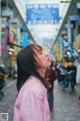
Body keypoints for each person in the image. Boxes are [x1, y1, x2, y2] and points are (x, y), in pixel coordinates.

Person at [13, 44, 51, 121]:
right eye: (40, 53)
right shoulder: (32, 90)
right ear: (31, 62)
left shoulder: (35, 85)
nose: (46, 54)